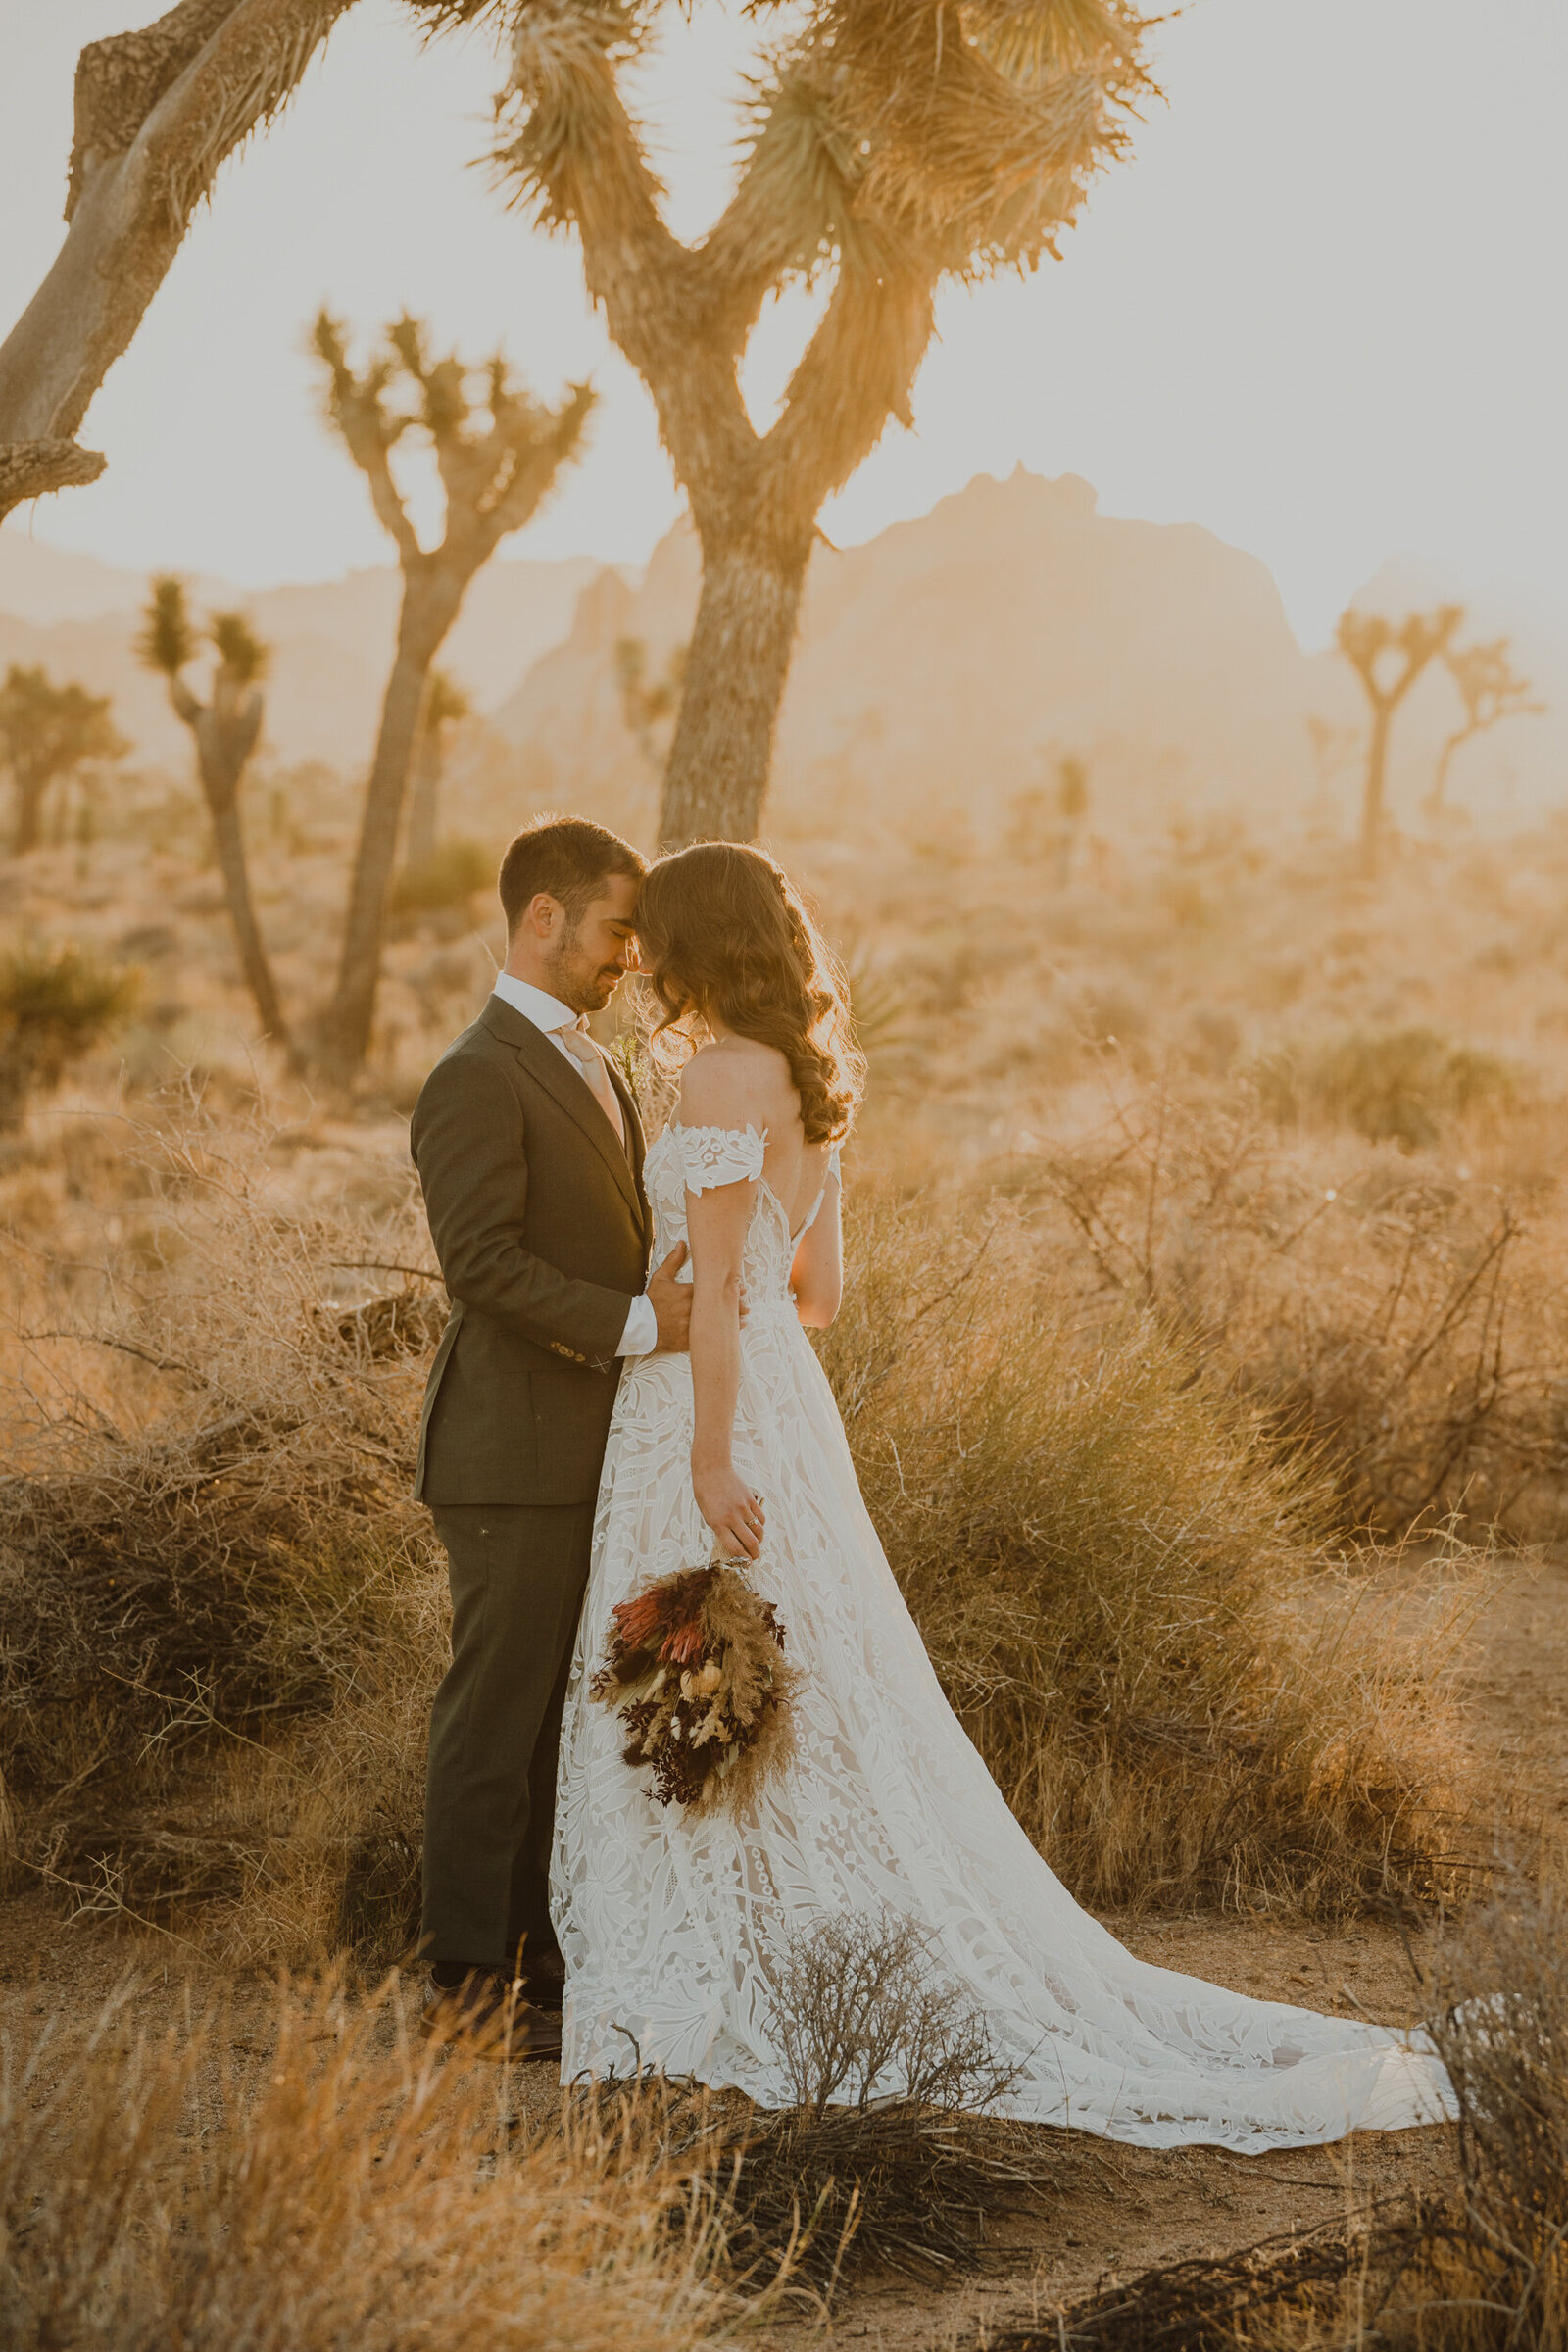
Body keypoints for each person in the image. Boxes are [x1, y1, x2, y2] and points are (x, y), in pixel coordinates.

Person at [551, 840, 1457, 2149]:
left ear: (697, 941)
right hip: (789, 1408)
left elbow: (729, 1300)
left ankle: (711, 1959)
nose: (641, 959)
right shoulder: (805, 1081)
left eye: (658, 936)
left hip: (713, 1409)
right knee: (815, 1692)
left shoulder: (716, 1075)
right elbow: (818, 1299)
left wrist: (706, 1456)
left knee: (699, 1654)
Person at [410, 815, 692, 2057]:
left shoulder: (598, 1066)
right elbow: (479, 1266)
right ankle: (467, 1983)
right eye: (615, 929)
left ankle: (543, 1971)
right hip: (510, 1457)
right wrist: (640, 1321)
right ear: (544, 918)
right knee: (497, 1717)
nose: (629, 957)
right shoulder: (476, 1073)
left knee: (559, 1721)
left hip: (596, 1448)